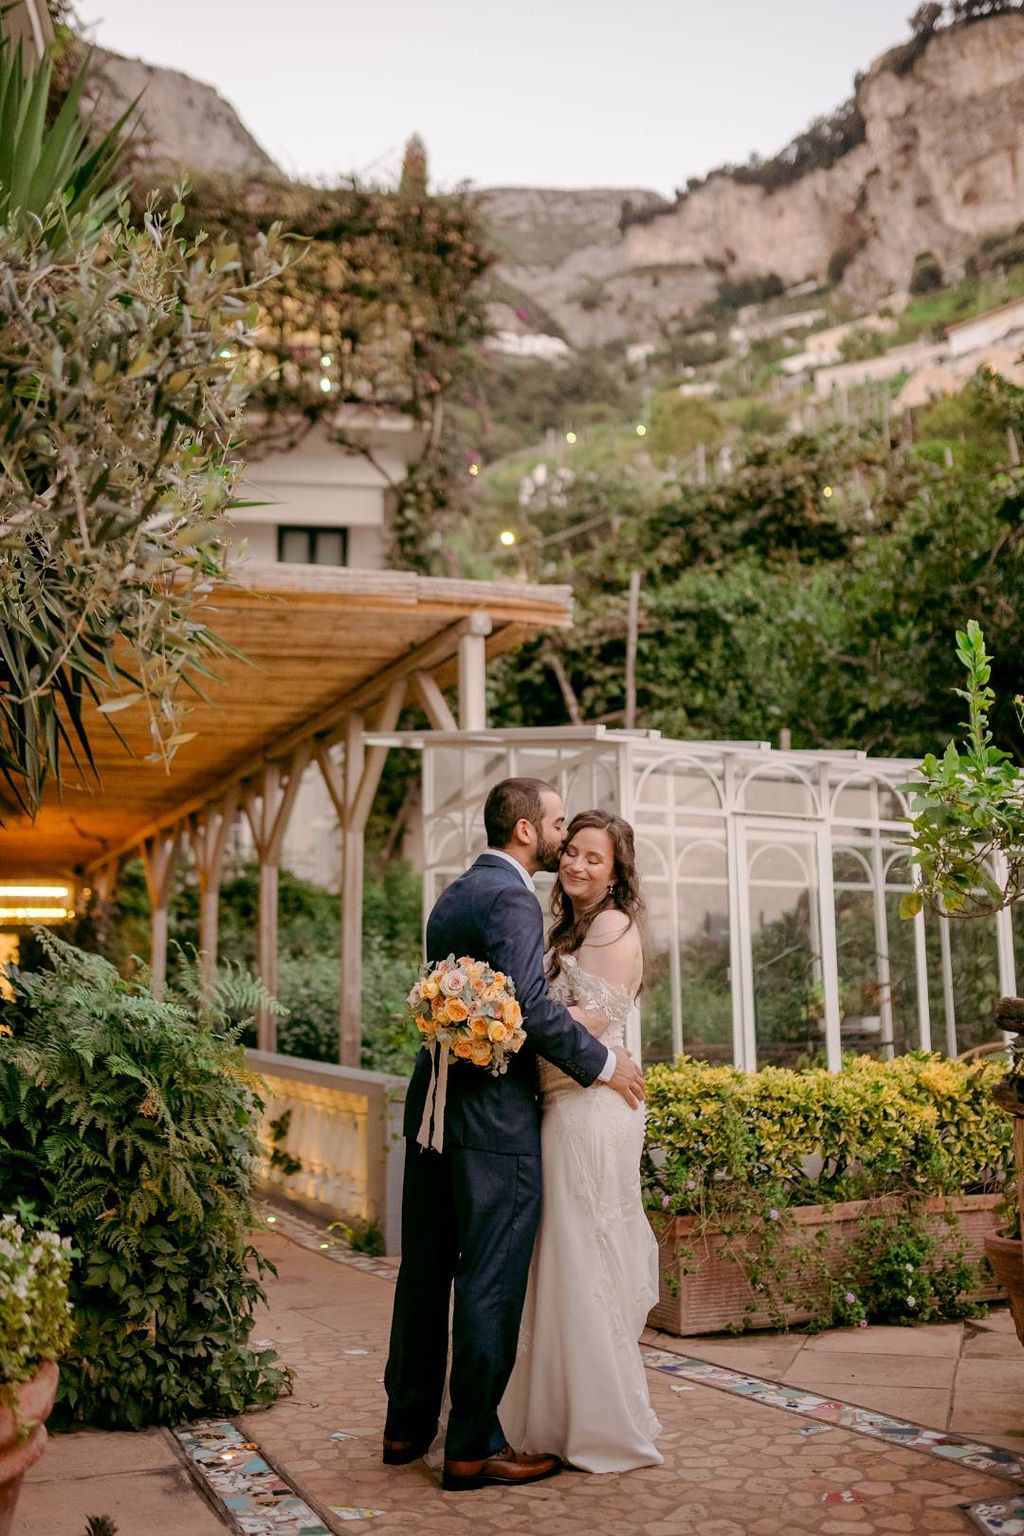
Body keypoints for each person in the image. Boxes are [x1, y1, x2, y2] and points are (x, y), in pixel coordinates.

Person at [383, 778, 645, 1493]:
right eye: (560, 824)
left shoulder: (454, 895)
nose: (565, 840)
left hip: (433, 1107)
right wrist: (599, 1062)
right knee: (490, 1277)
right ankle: (474, 1445)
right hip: (493, 1118)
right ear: (527, 830)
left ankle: (406, 1425)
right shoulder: (512, 899)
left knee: (426, 1267)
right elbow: (526, 1005)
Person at [500, 810, 663, 1471]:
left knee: (584, 1257)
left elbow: (590, 1021)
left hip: (592, 1106)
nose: (575, 865)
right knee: (565, 1256)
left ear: (617, 870)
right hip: (565, 1102)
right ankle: (559, 1413)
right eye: (570, 852)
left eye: (594, 858)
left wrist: (504, 1018)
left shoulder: (613, 926)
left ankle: (599, 1421)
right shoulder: (571, 926)